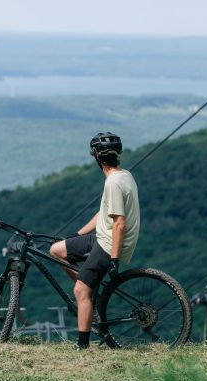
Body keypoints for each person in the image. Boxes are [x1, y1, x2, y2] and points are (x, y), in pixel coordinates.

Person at [50, 132, 140, 350]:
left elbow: (119, 223)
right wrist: (78, 235)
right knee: (56, 250)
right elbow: (105, 213)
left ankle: (83, 345)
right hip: (103, 235)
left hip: (110, 243)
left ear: (96, 155)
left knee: (81, 291)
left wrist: (114, 259)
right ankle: (88, 288)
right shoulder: (123, 175)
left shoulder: (113, 183)